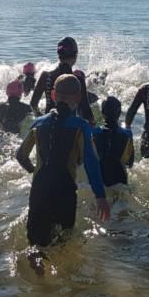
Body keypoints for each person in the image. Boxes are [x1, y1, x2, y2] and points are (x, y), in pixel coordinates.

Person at [16, 74, 110, 247]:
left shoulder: (38, 123)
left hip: (39, 189)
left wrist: (33, 170)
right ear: (79, 98)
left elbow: (20, 155)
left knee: (36, 245)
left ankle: (36, 270)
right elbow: (91, 161)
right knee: (63, 243)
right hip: (65, 190)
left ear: (53, 95)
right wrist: (100, 195)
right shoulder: (81, 126)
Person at [30, 37, 95, 125]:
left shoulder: (45, 76)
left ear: (59, 56)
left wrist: (40, 118)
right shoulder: (77, 79)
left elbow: (33, 104)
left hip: (49, 126)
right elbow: (85, 109)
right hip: (71, 128)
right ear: (75, 56)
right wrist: (93, 126)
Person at [93, 96, 134, 187]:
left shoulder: (94, 133)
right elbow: (130, 163)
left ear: (102, 112)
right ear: (119, 113)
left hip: (100, 177)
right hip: (120, 178)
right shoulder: (127, 134)